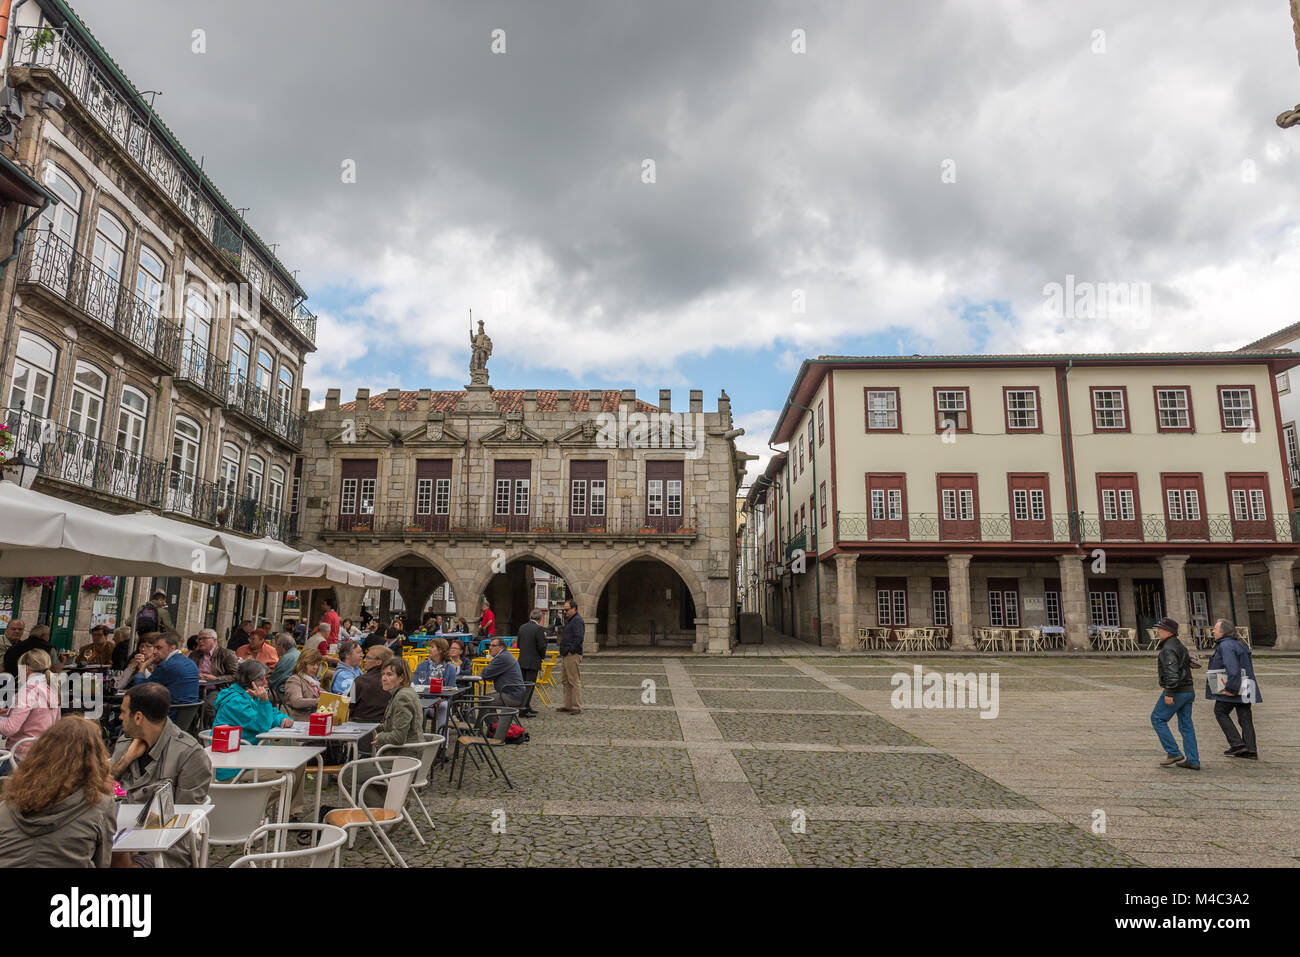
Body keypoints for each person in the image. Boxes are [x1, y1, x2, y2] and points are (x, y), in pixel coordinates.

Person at [110, 683, 212, 867]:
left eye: (124, 712)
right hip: (120, 839)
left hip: (165, 849)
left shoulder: (189, 754)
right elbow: (102, 789)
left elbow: (184, 823)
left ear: (138, 717)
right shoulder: (126, 743)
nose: (120, 717)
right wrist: (125, 760)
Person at [0, 716, 117, 867]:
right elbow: (103, 863)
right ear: (96, 758)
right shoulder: (99, 807)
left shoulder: (7, 806)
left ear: (40, 752)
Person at [212, 661, 294, 781]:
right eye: (262, 680)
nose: (266, 683)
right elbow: (262, 725)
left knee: (296, 766)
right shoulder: (235, 702)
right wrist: (264, 700)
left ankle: (287, 800)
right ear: (251, 681)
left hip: (249, 756)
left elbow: (271, 713)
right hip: (232, 767)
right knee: (287, 776)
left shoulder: (250, 694)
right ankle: (255, 800)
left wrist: (284, 719)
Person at [1206, 619, 1261, 760]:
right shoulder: (1239, 644)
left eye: (1215, 629)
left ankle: (1237, 744)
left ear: (1223, 631)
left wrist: (1231, 688)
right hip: (1246, 685)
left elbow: (1233, 668)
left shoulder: (1226, 645)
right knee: (1245, 717)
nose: (1213, 631)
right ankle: (1251, 749)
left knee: (1220, 712)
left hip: (1234, 686)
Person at [1150, 616, 1198, 771]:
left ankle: (1173, 752)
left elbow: (1172, 673)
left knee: (1157, 718)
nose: (1157, 632)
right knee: (1186, 726)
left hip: (1177, 691)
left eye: (1160, 629)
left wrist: (1169, 693)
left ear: (1168, 631)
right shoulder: (1179, 645)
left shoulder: (1168, 648)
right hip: (1188, 690)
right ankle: (1193, 760)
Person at [0, 649, 60, 765]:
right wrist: (9, 713)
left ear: (26, 669)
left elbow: (9, 729)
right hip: (43, 753)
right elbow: (52, 722)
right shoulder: (51, 688)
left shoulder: (28, 691)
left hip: (21, 755)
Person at [128, 632, 199, 715]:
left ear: (172, 648)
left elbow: (139, 691)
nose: (154, 652)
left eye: (158, 648)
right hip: (185, 716)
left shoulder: (167, 665)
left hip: (167, 716)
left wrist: (143, 667)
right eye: (154, 648)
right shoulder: (190, 662)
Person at [368, 657, 422, 758]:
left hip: (402, 760)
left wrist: (380, 737)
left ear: (401, 678)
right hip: (404, 756)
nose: (384, 678)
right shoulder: (404, 692)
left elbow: (399, 737)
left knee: (349, 772)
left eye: (389, 674)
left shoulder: (402, 697)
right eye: (383, 674)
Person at [516, 609, 548, 718]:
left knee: (523, 685)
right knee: (530, 686)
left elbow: (519, 644)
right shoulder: (538, 629)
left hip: (522, 661)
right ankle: (524, 710)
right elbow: (542, 646)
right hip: (533, 661)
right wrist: (542, 656)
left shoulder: (522, 627)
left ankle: (526, 706)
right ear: (540, 618)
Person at [350, 645, 394, 722]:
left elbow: (349, 706)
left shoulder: (360, 681)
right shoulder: (394, 681)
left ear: (378, 662)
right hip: (386, 726)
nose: (364, 660)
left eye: (368, 658)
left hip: (359, 726)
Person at [482, 636, 526, 709]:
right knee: (485, 698)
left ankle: (495, 721)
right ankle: (496, 721)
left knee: (485, 700)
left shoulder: (502, 657)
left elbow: (484, 674)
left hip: (512, 696)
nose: (490, 648)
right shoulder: (505, 654)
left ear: (501, 647)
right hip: (515, 693)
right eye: (490, 645)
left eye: (493, 645)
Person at [557, 598, 584, 715]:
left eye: (567, 610)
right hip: (565, 654)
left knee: (574, 680)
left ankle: (577, 706)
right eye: (564, 610)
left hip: (572, 654)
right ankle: (568, 705)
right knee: (566, 681)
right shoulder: (570, 620)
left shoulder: (577, 621)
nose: (565, 612)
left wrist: (570, 651)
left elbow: (579, 638)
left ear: (574, 609)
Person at [283, 648, 326, 720]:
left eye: (317, 664)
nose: (315, 667)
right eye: (312, 664)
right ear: (303, 664)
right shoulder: (294, 680)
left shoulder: (313, 681)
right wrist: (319, 701)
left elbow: (324, 695)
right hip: (301, 722)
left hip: (314, 721)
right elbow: (296, 702)